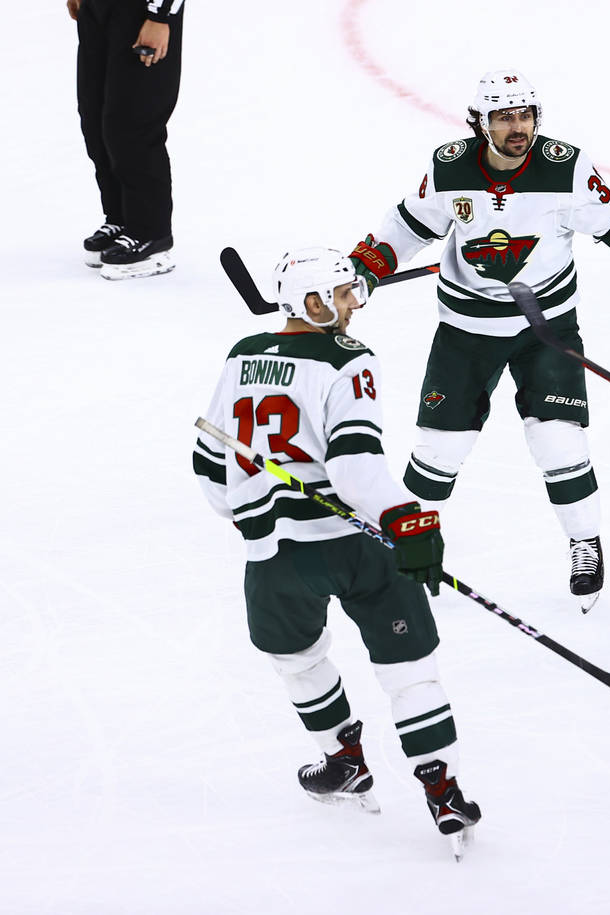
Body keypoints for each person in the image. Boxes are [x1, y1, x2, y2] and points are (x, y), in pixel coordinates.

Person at [346, 69, 610, 613]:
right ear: (481, 123)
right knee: (439, 451)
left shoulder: (566, 168)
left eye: (524, 116)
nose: (517, 127)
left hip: (545, 329)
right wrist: (365, 267)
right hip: (466, 331)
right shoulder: (449, 167)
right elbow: (408, 224)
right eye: (503, 117)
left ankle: (584, 543)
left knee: (560, 443)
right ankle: (400, 545)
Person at [193, 247, 481, 858]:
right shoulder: (347, 360)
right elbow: (354, 466)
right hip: (357, 545)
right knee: (409, 672)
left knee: (296, 660)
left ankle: (342, 760)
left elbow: (207, 463)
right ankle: (444, 791)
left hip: (275, 554)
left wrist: (248, 512)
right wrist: (408, 519)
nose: (355, 304)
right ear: (314, 302)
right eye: (343, 294)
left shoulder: (241, 355)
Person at [68, 0, 184, 280]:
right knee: (95, 119)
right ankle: (121, 220)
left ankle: (151, 234)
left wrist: (161, 15)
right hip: (97, 9)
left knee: (132, 122)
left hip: (143, 11)